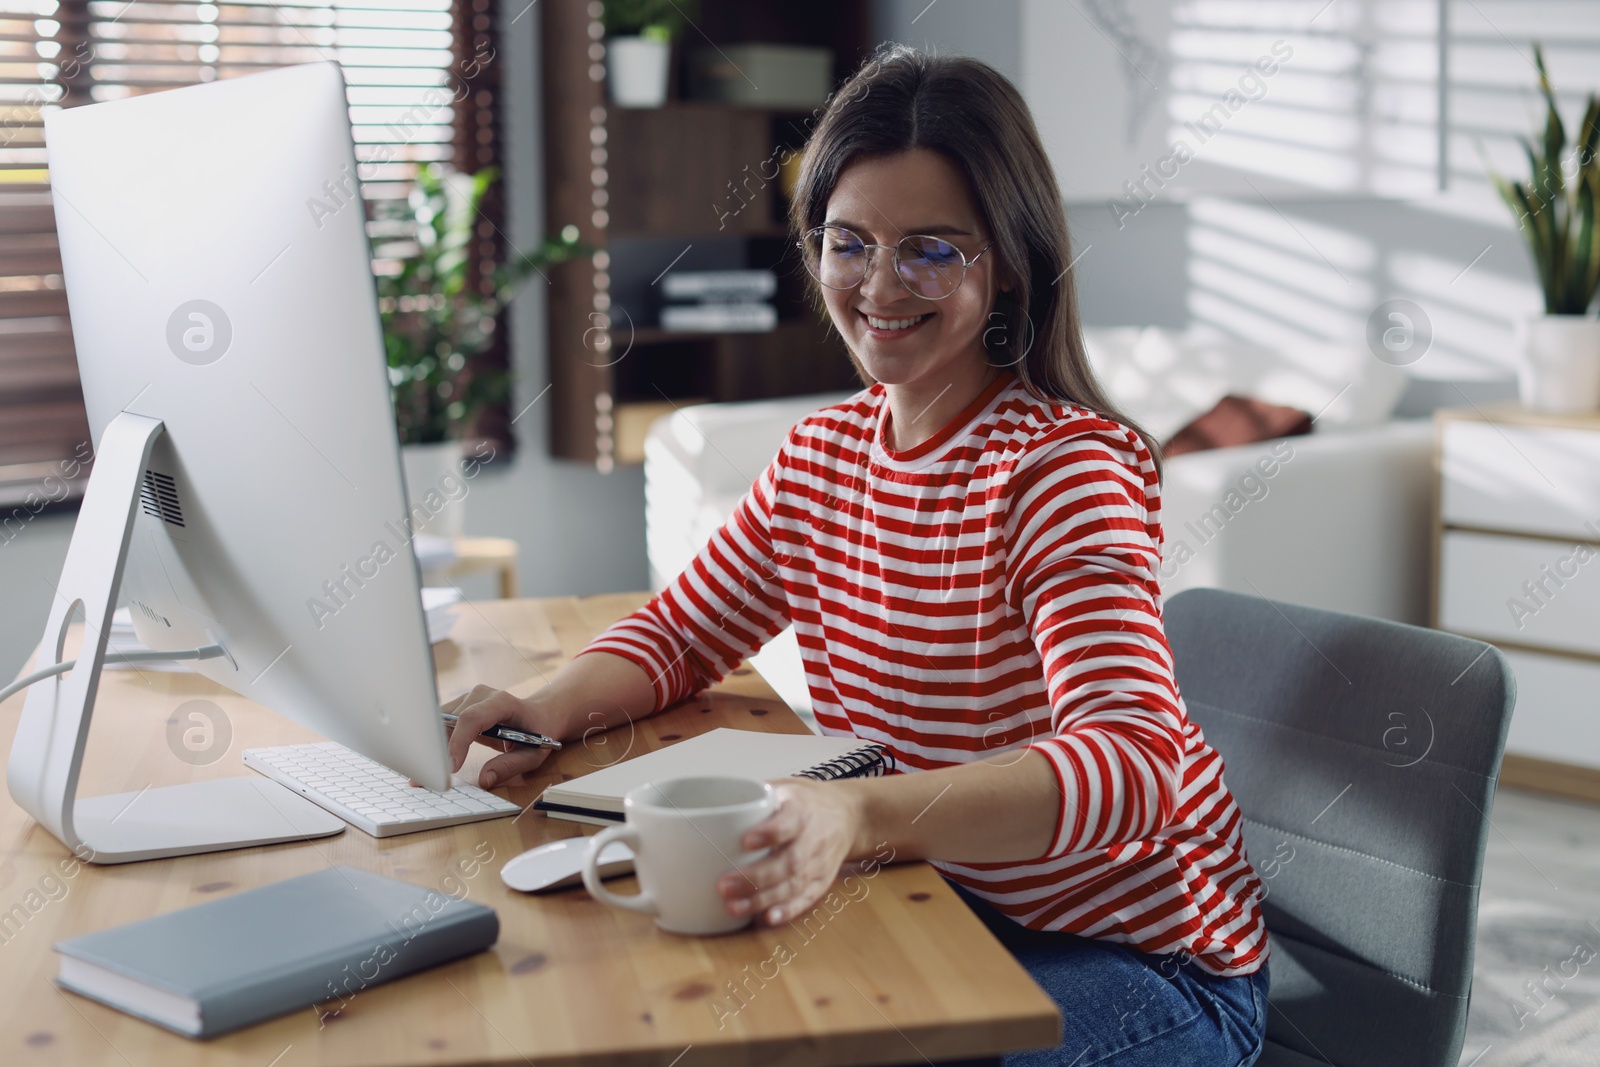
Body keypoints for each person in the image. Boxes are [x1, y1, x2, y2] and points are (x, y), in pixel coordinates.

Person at [444, 43, 1269, 1066]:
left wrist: (856, 811)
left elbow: (1136, 761)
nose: (878, 285)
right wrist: (544, 706)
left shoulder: (1063, 470)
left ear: (1005, 261)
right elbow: (679, 632)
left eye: (930, 248)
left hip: (1140, 961)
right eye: (848, 242)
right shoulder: (825, 456)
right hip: (942, 896)